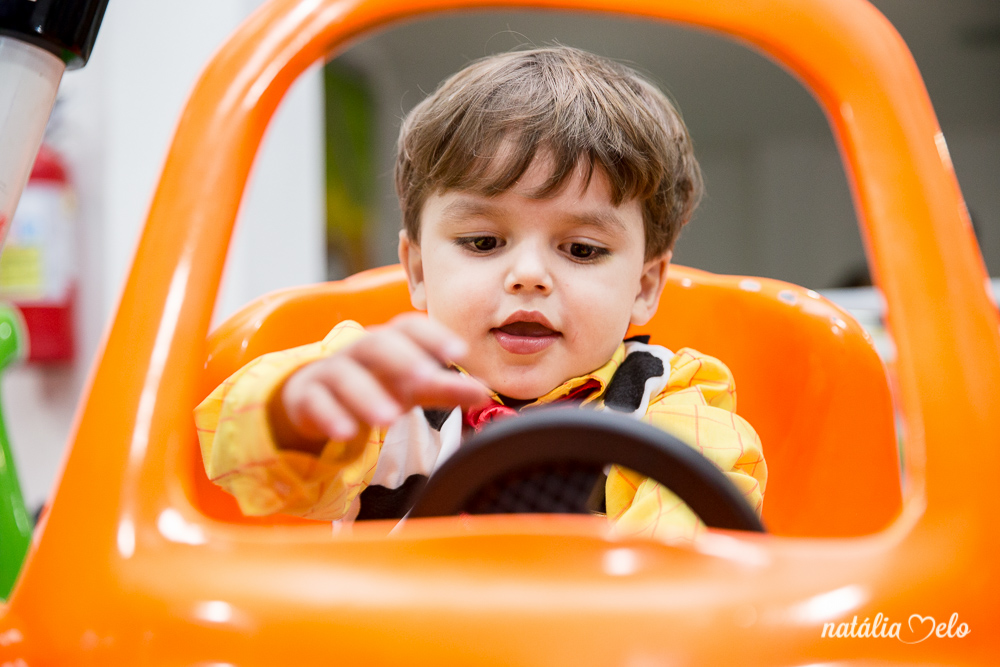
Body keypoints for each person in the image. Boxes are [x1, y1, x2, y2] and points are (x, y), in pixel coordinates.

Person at [195, 46, 766, 543]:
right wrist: (300, 415)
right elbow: (239, 463)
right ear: (417, 271)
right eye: (484, 241)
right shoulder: (384, 392)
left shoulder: (669, 398)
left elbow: (690, 547)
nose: (528, 276)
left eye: (582, 250)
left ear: (643, 287)